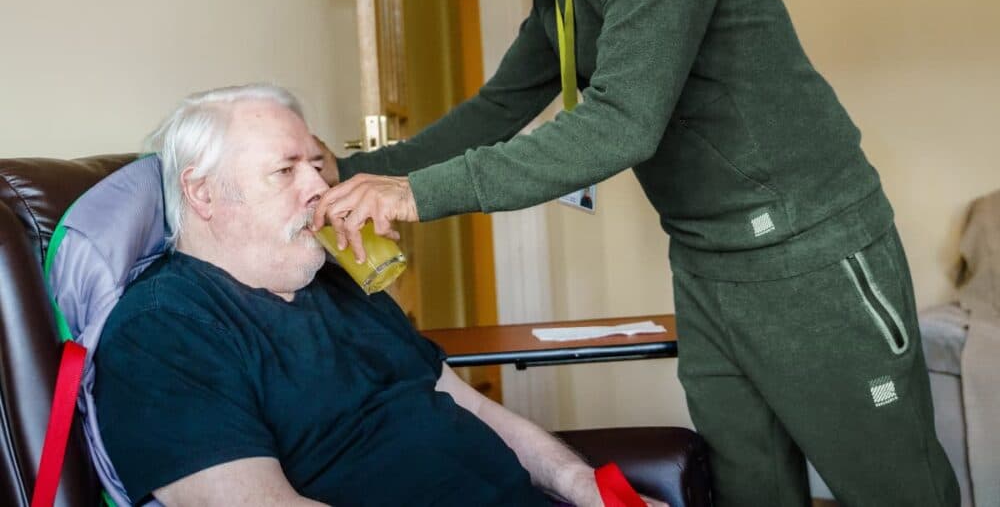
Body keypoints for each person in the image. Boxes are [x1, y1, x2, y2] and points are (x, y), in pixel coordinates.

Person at [313, 0, 960, 506]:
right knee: (749, 486)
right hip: (707, 261)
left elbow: (622, 125)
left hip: (808, 251)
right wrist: (346, 170)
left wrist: (414, 195)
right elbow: (495, 111)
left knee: (894, 487)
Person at [94, 84, 666, 507]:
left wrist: (583, 485)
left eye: (316, 166)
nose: (321, 188)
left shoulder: (340, 280)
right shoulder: (163, 330)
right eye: (286, 171)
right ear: (202, 194)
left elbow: (462, 402)